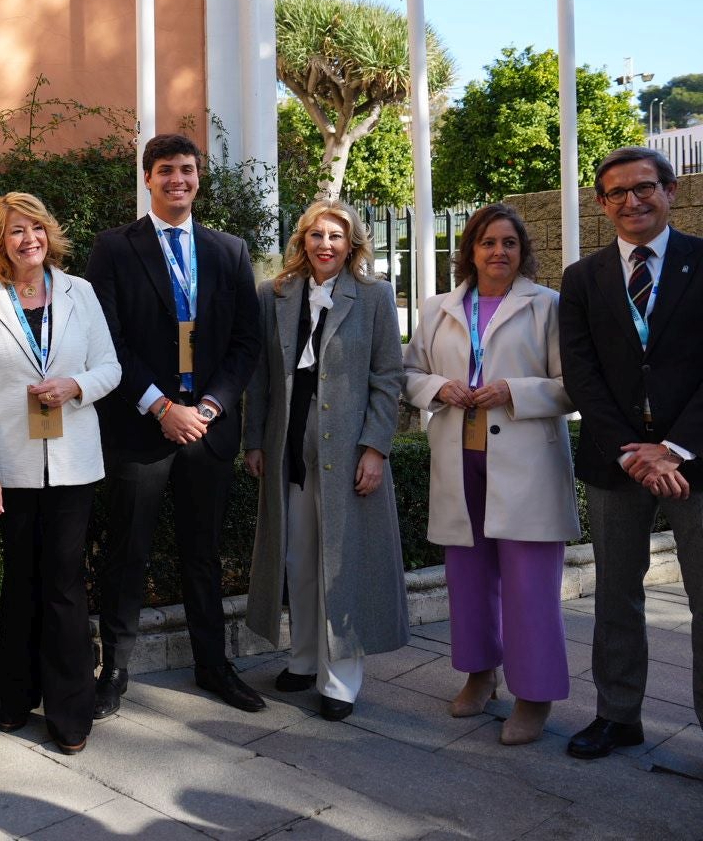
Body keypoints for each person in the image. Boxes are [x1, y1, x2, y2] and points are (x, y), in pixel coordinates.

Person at [85, 133, 264, 718]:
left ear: (198, 178)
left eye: (187, 170)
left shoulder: (229, 251)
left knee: (203, 553)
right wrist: (162, 407)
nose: (178, 180)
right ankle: (114, 671)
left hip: (207, 429)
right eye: (166, 171)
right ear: (148, 179)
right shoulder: (113, 248)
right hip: (143, 427)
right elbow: (108, 340)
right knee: (127, 551)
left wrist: (208, 409)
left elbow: (245, 343)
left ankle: (214, 665)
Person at [402, 205, 578, 745]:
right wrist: (436, 388)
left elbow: (573, 385)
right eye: (487, 242)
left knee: (530, 586)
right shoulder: (437, 309)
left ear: (523, 251)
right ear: (469, 250)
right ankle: (480, 676)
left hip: (526, 462)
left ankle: (535, 695)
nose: (498, 252)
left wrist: (512, 391)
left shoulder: (548, 305)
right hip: (459, 456)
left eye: (509, 243)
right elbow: (407, 373)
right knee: (468, 578)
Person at [0, 192, 120, 754]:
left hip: (74, 460)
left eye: (36, 229)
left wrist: (75, 386)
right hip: (12, 463)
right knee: (20, 581)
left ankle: (70, 710)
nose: (28, 240)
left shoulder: (82, 293)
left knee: (65, 583)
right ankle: (15, 696)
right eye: (15, 232)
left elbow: (111, 368)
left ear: (49, 233)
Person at [559, 146, 703, 760]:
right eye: (616, 193)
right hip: (616, 465)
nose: (631, 201)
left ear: (669, 190)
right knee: (617, 593)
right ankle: (618, 716)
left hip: (695, 463)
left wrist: (670, 449)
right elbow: (582, 374)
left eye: (644, 187)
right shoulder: (582, 277)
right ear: (601, 203)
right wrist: (631, 451)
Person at [243, 199, 408, 721]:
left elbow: (388, 378)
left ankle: (340, 679)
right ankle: (305, 657)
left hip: (349, 442)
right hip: (289, 438)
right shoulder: (275, 294)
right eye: (317, 235)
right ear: (302, 241)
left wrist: (376, 447)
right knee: (299, 555)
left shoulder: (375, 296)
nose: (326, 245)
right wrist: (254, 441)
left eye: (336, 236)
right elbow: (261, 377)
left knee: (342, 559)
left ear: (352, 242)